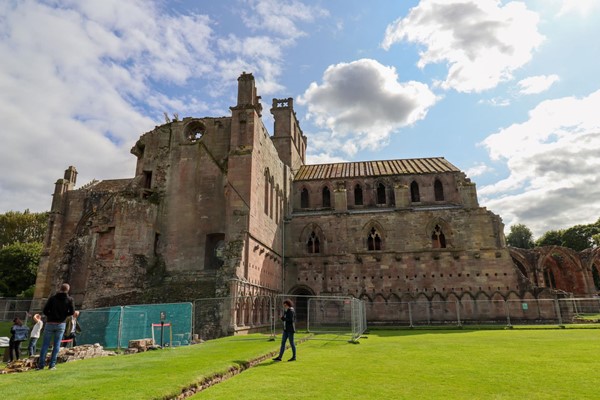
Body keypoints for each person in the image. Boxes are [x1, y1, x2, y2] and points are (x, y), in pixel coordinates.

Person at [37, 283, 74, 370]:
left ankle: (41, 365)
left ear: (60, 289)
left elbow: (45, 310)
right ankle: (52, 365)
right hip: (61, 323)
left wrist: (50, 316)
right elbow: (72, 312)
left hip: (50, 323)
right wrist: (64, 316)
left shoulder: (53, 298)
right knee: (57, 345)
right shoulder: (69, 299)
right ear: (68, 290)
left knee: (45, 345)